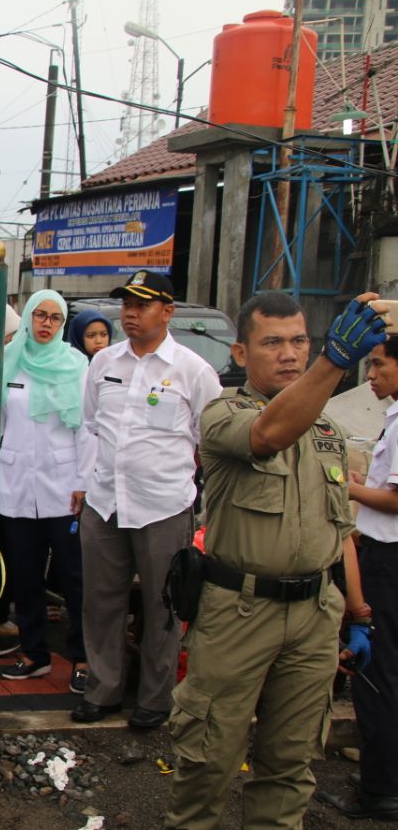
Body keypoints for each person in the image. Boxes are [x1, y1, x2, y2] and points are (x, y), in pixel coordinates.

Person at [164, 292, 384, 828]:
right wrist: (334, 361)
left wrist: (358, 618)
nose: (290, 354)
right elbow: (269, 435)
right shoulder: (224, 414)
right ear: (241, 353)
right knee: (208, 761)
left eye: (300, 342)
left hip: (314, 617)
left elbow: (342, 537)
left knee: (291, 765)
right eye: (273, 343)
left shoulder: (328, 432)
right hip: (239, 612)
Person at [73, 270, 222, 729]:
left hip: (163, 504)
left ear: (168, 311)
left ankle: (155, 700)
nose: (130, 313)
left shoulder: (193, 371)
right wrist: (83, 484)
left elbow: (209, 443)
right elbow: (91, 426)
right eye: (126, 304)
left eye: (142, 304)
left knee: (164, 606)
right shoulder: (104, 363)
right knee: (101, 601)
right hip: (105, 502)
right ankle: (104, 690)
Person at [317, 336, 398, 821]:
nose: (371, 376)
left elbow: (395, 499)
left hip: (389, 558)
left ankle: (380, 789)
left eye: (380, 366)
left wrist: (345, 484)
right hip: (384, 553)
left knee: (377, 674)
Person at [0, 290, 89, 693]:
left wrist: (84, 480)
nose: (46, 324)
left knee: (74, 577)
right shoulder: (9, 363)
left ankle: (83, 657)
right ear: (29, 318)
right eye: (40, 315)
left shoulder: (77, 366)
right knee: (25, 574)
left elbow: (88, 429)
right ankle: (34, 654)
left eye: (54, 317)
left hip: (64, 487)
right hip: (15, 485)